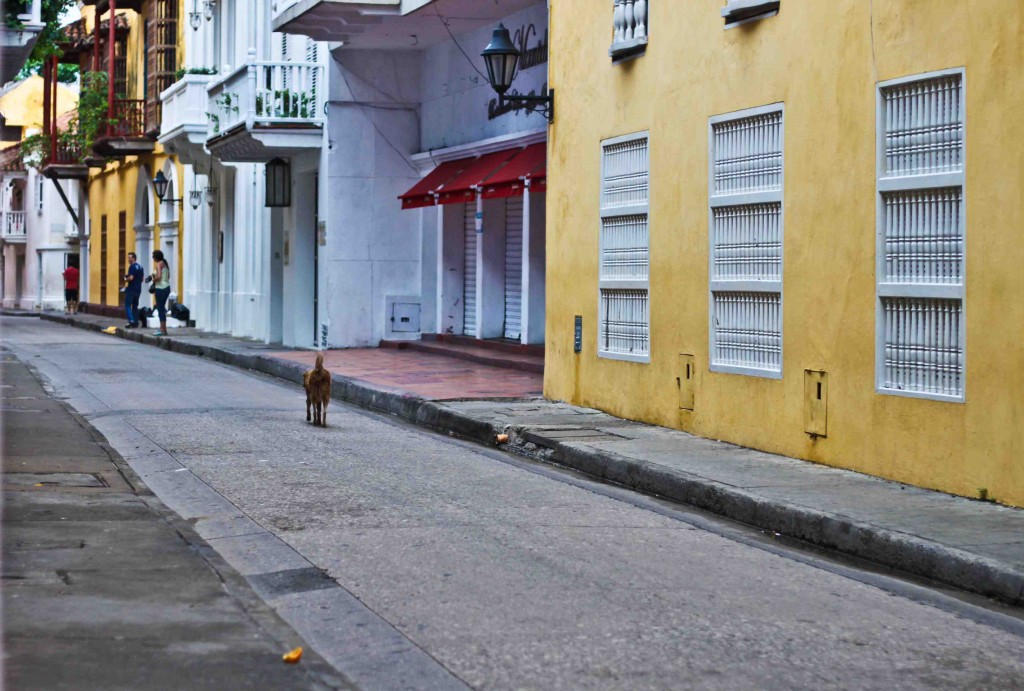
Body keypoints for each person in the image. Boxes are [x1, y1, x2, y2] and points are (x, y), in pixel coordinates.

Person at [145, 250, 171, 336]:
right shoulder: (165, 263)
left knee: (160, 309)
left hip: (160, 288)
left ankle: (162, 330)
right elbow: (167, 276)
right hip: (166, 287)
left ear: (156, 257)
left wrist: (153, 280)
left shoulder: (159, 264)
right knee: (161, 308)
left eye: (153, 257)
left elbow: (159, 276)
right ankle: (163, 329)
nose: (153, 258)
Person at [123, 252, 145, 328]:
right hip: (138, 289)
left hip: (131, 289)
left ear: (134, 258)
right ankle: (136, 322)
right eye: (128, 257)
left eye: (129, 257)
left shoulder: (132, 267)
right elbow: (142, 279)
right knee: (135, 306)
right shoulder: (141, 267)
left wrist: (126, 279)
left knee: (128, 305)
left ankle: (131, 320)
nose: (128, 259)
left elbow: (131, 278)